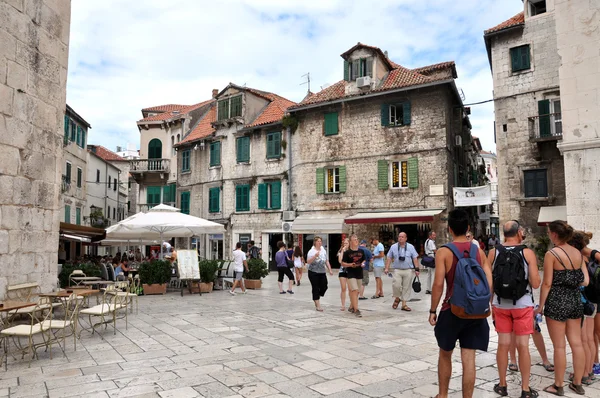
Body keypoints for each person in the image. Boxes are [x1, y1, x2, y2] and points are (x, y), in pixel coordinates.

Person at [429, 209, 492, 398]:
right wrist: (482, 302)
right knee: (469, 358)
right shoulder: (478, 251)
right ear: (468, 228)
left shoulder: (444, 252)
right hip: (475, 311)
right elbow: (489, 280)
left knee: (445, 354)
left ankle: (443, 395)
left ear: (449, 229)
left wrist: (433, 310)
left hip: (452, 309)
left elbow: (438, 284)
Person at [487, 220, 540, 398]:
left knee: (502, 345)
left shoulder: (493, 253)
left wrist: (491, 304)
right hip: (523, 304)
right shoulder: (527, 253)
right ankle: (525, 389)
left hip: (501, 305)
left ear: (503, 234)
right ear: (519, 233)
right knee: (523, 346)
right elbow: (535, 283)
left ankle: (502, 385)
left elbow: (489, 284)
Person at [537, 220, 589, 396]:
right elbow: (585, 281)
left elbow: (547, 283)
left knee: (559, 346)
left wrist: (540, 307)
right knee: (577, 343)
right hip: (575, 300)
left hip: (557, 301)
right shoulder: (578, 253)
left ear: (554, 234)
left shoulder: (552, 254)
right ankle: (578, 383)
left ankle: (558, 385)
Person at [568, 230, 597, 384]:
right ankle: (590, 370)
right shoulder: (590, 257)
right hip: (593, 302)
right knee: (590, 339)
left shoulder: (578, 259)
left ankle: (584, 373)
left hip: (584, 302)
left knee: (583, 340)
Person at [384, 232, 421, 311]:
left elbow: (415, 258)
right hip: (397, 269)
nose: (400, 238)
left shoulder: (410, 247)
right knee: (396, 285)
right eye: (399, 237)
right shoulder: (393, 247)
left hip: (408, 269)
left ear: (406, 238)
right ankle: (397, 298)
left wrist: (417, 269)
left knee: (406, 287)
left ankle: (404, 304)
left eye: (402, 237)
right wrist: (386, 268)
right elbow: (389, 257)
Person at [340, 234, 365, 318]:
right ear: (350, 242)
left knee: (357, 291)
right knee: (354, 290)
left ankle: (351, 306)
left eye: (357, 239)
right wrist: (350, 264)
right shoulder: (347, 252)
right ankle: (356, 309)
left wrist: (363, 263)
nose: (356, 241)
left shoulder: (361, 251)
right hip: (351, 273)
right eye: (354, 239)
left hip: (359, 273)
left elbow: (364, 260)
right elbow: (343, 263)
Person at [306, 236, 333, 311]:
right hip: (313, 272)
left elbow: (326, 261)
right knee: (315, 287)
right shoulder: (311, 251)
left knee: (324, 286)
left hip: (322, 271)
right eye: (318, 241)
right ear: (315, 242)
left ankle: (317, 297)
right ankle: (318, 305)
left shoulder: (323, 250)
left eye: (320, 241)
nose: (320, 242)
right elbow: (308, 261)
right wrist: (314, 256)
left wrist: (330, 269)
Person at [337, 238, 350, 311]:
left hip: (350, 271)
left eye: (347, 243)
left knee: (351, 288)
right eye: (344, 243)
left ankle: (352, 303)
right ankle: (343, 305)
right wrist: (342, 250)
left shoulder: (351, 251)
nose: (345, 245)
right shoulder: (341, 251)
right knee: (343, 288)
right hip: (342, 271)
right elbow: (340, 260)